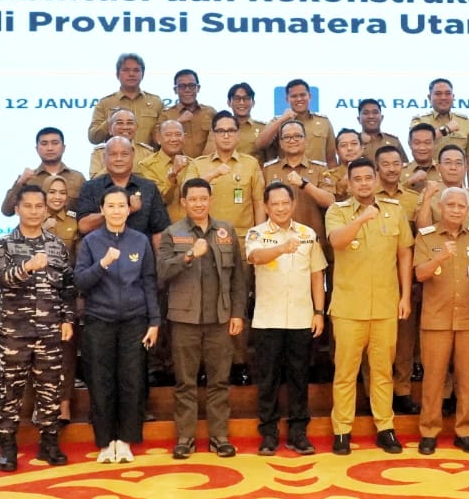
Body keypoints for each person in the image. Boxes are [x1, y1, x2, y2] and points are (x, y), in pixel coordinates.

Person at [325, 158, 414, 455]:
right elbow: (337, 242)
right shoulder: (337, 211)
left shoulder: (394, 210)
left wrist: (405, 296)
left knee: (382, 372)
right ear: (349, 184)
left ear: (376, 180)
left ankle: (385, 428)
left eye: (368, 178)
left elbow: (404, 254)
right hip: (349, 307)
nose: (364, 183)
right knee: (345, 373)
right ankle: (342, 430)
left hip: (385, 306)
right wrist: (362, 218)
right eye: (357, 179)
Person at [157, 178, 249, 459]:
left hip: (220, 319)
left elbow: (238, 278)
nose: (199, 204)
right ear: (183, 202)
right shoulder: (172, 233)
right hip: (184, 320)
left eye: (203, 198)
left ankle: (219, 437)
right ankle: (185, 438)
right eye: (193, 199)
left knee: (219, 381)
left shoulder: (226, 231)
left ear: (211, 200)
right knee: (185, 382)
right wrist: (188, 256)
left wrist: (237, 313)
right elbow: (162, 273)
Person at [0, 185, 75, 471]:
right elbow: (0, 279)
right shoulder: (4, 244)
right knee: (9, 390)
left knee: (50, 388)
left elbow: (67, 287)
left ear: (46, 209)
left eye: (39, 206)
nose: (34, 211)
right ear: (17, 209)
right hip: (15, 332)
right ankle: (7, 447)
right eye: (28, 206)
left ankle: (49, 443)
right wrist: (26, 267)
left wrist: (67, 319)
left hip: (49, 331)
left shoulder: (56, 245)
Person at [74, 187, 160, 464]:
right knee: (101, 383)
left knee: (132, 381)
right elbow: (80, 282)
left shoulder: (139, 240)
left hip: (135, 320)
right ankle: (105, 442)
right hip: (99, 320)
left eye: (121, 205)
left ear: (128, 209)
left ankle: (125, 441)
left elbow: (149, 281)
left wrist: (154, 321)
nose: (116, 211)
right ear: (102, 210)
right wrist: (103, 264)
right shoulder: (90, 242)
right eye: (110, 206)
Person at [182, 111, 267, 385]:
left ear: (238, 134)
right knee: (206, 306)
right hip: (205, 246)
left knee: (237, 305)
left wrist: (259, 238)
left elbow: (258, 203)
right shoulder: (199, 165)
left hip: (240, 244)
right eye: (221, 131)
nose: (227, 135)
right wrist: (215, 173)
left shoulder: (250, 164)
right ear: (213, 134)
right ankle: (205, 365)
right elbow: (189, 191)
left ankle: (239, 362)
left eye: (231, 130)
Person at [246, 181, 328, 456]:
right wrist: (281, 248)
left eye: (285, 203)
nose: (281, 208)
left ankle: (298, 433)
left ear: (293, 204)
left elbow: (317, 274)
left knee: (299, 378)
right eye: (275, 204)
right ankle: (269, 433)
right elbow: (255, 257)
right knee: (268, 380)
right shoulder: (257, 232)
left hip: (301, 318)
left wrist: (319, 312)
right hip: (267, 319)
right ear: (266, 206)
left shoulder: (307, 234)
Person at [412, 187, 469, 456]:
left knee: (467, 379)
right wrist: (439, 258)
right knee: (433, 379)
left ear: (467, 210)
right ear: (441, 207)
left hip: (468, 318)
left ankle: (465, 432)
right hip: (436, 318)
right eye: (451, 205)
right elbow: (420, 274)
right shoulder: (426, 237)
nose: (456, 210)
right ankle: (429, 431)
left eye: (461, 206)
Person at [75, 137, 171, 242]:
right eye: (113, 154)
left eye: (124, 154)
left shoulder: (148, 188)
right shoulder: (90, 187)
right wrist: (125, 209)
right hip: (101, 250)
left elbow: (159, 231)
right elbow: (83, 226)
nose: (119, 159)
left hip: (140, 251)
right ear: (104, 157)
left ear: (133, 155)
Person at [43, 175, 83, 424]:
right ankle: (43, 404)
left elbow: (78, 261)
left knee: (66, 352)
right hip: (37, 297)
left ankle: (64, 404)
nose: (57, 197)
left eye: (62, 193)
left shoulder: (73, 222)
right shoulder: (32, 219)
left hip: (65, 294)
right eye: (52, 192)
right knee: (40, 353)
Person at [262, 120, 336, 240]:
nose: (292, 140)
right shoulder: (269, 169)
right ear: (281, 143)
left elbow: (330, 201)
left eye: (297, 136)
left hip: (312, 239)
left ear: (306, 141)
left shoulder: (319, 169)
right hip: (277, 240)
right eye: (287, 137)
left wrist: (304, 184)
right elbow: (261, 205)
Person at [0, 127, 86, 216]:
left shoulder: (77, 178)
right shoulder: (27, 179)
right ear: (37, 149)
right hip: (36, 225)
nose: (50, 148)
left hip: (69, 225)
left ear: (63, 148)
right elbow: (7, 211)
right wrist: (19, 183)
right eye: (44, 144)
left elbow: (88, 211)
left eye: (55, 143)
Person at [410, 78, 469, 187]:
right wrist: (445, 129)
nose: (443, 97)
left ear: (453, 96)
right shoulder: (419, 121)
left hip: (457, 187)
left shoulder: (464, 122)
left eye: (447, 93)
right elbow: (418, 141)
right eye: (438, 94)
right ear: (429, 97)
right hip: (426, 185)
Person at [89, 53, 163, 146]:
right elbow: (93, 137)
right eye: (126, 70)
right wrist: (110, 120)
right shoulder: (105, 103)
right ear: (117, 75)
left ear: (142, 75)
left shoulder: (156, 102)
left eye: (136, 70)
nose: (131, 74)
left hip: (148, 154)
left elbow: (163, 135)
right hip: (117, 154)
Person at [257, 79, 336, 163]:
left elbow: (331, 158)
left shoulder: (324, 122)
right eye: (294, 96)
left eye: (302, 95)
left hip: (318, 171)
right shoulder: (277, 121)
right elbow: (260, 145)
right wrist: (282, 119)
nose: (299, 99)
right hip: (287, 171)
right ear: (287, 99)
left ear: (309, 96)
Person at [136, 120, 191, 223]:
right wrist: (172, 178)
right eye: (168, 135)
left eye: (178, 134)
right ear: (158, 138)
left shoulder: (194, 164)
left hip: (191, 226)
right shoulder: (146, 166)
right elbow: (159, 200)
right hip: (163, 226)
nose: (174, 139)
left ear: (185, 137)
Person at [156, 69, 216, 158]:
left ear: (198, 88)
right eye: (182, 86)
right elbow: (156, 139)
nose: (187, 90)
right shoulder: (166, 114)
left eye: (191, 86)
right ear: (175, 90)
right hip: (175, 164)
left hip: (205, 163)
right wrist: (178, 122)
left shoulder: (210, 112)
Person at [90, 108, 157, 179]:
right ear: (110, 129)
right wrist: (111, 166)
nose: (125, 127)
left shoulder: (147, 153)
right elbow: (94, 182)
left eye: (130, 123)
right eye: (119, 123)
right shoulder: (99, 152)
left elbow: (153, 181)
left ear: (136, 128)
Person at [226, 82, 267, 159]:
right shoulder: (221, 129)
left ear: (253, 103)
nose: (241, 102)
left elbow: (271, 159)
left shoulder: (264, 128)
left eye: (246, 98)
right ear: (229, 103)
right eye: (237, 98)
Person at [401, 123, 440, 193]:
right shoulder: (400, 171)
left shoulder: (443, 170)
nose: (422, 148)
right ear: (410, 144)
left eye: (427, 142)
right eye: (417, 143)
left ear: (434, 143)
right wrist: (410, 182)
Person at [326, 128, 363, 201]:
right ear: (337, 151)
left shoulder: (375, 173)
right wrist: (347, 175)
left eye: (354, 144)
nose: (349, 148)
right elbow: (331, 200)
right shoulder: (329, 176)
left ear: (362, 148)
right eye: (343, 145)